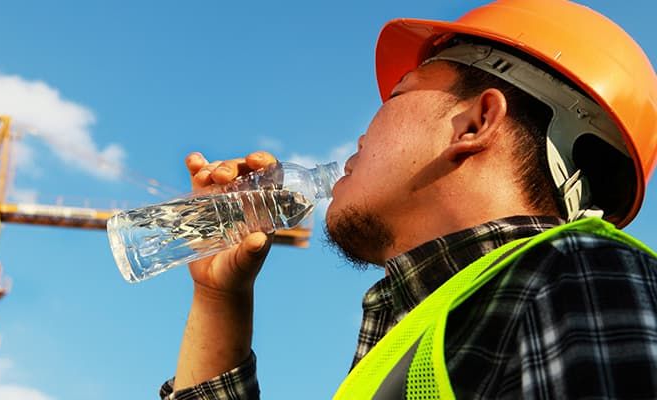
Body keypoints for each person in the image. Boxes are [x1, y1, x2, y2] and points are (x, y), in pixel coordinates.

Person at [159, 0, 657, 398]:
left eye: (398, 94)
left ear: (475, 123)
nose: (361, 135)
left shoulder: (580, 274)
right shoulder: (431, 325)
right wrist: (219, 300)